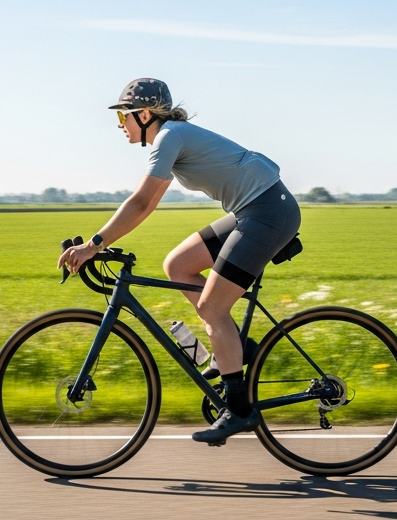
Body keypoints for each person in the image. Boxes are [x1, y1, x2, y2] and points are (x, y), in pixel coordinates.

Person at [58, 78, 301, 444]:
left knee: (212, 308)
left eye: (123, 117)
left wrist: (94, 244)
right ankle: (234, 346)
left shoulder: (170, 136)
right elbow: (143, 204)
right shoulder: (172, 136)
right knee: (178, 265)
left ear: (143, 115)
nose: (120, 125)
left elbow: (142, 203)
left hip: (268, 214)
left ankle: (238, 411)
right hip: (253, 211)